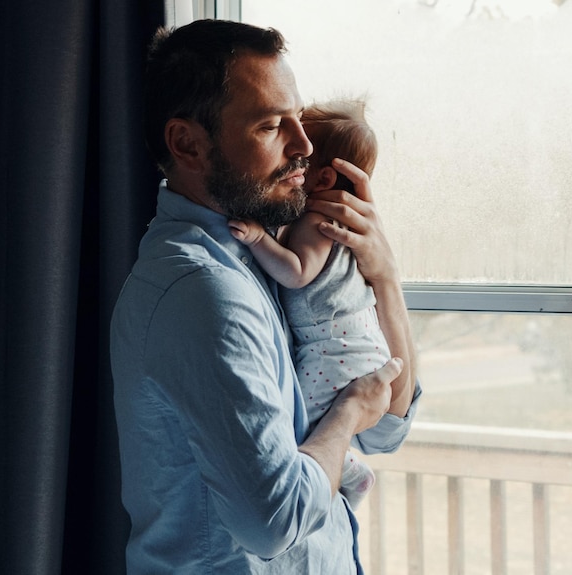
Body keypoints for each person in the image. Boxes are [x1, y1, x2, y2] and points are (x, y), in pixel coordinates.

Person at [109, 18, 420, 574]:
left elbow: (390, 426)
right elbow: (273, 522)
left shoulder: (262, 254)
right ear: (188, 144)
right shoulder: (204, 292)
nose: (305, 147)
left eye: (299, 119)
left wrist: (384, 278)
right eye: (272, 126)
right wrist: (348, 412)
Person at [228, 98, 385, 510]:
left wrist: (260, 239)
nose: (292, 158)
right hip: (348, 342)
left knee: (303, 436)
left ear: (324, 177)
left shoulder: (318, 220)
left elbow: (297, 272)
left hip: (337, 347)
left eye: (302, 159)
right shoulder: (323, 217)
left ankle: (353, 473)